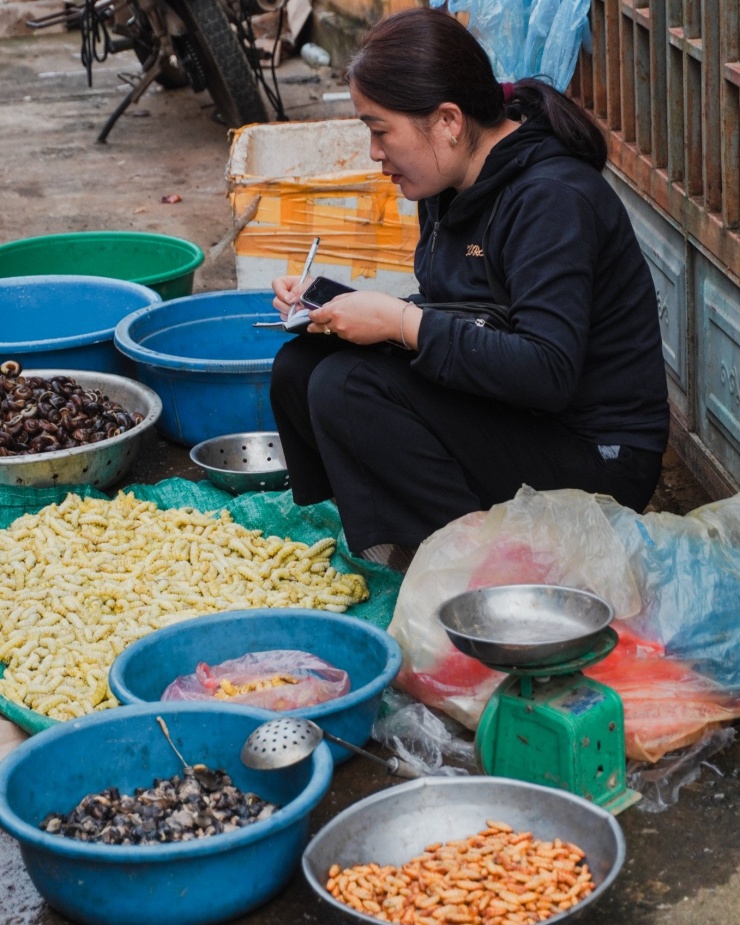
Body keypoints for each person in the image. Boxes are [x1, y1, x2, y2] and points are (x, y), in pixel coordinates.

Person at [269, 6, 669, 561]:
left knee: (347, 387)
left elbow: (547, 371)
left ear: (449, 121)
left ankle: (473, 569)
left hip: (596, 458)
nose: (374, 153)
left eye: (380, 130)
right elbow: (464, 315)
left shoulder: (552, 200)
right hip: (523, 417)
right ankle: (396, 535)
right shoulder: (445, 184)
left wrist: (401, 322)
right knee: (301, 367)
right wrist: (334, 308)